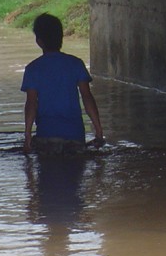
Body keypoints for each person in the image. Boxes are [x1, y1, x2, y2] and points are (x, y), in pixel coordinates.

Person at [21, 13, 104, 155]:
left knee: (46, 174)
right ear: (61, 38)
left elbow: (31, 104)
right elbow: (87, 97)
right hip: (75, 136)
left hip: (46, 136)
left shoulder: (32, 69)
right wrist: (98, 129)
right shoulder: (76, 64)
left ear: (39, 41)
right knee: (76, 174)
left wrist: (27, 134)